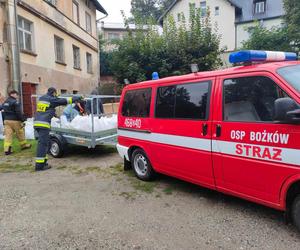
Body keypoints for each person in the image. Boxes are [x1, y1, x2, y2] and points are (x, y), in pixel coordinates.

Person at [34, 87, 82, 171]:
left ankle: (43, 162)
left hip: (37, 123)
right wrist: (77, 98)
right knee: (43, 145)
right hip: (44, 124)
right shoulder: (51, 99)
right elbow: (64, 101)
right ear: (53, 93)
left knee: (44, 143)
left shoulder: (42, 98)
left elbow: (46, 109)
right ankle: (39, 166)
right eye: (55, 94)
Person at [1, 90, 31, 155]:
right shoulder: (15, 102)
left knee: (8, 135)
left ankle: (7, 150)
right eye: (17, 95)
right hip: (15, 121)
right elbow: (18, 112)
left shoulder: (5, 102)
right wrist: (22, 119)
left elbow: (1, 108)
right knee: (20, 132)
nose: (17, 96)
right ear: (13, 94)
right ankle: (24, 146)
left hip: (6, 121)